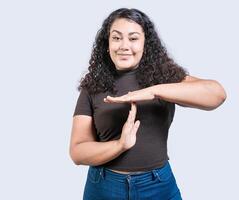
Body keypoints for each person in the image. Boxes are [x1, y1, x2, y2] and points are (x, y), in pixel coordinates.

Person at [69, 8, 226, 200]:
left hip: (157, 185)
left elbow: (217, 94)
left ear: (146, 43)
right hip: (104, 186)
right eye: (116, 38)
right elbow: (78, 150)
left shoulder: (164, 77)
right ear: (107, 44)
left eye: (133, 38)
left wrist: (153, 91)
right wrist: (119, 145)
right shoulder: (93, 85)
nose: (124, 45)